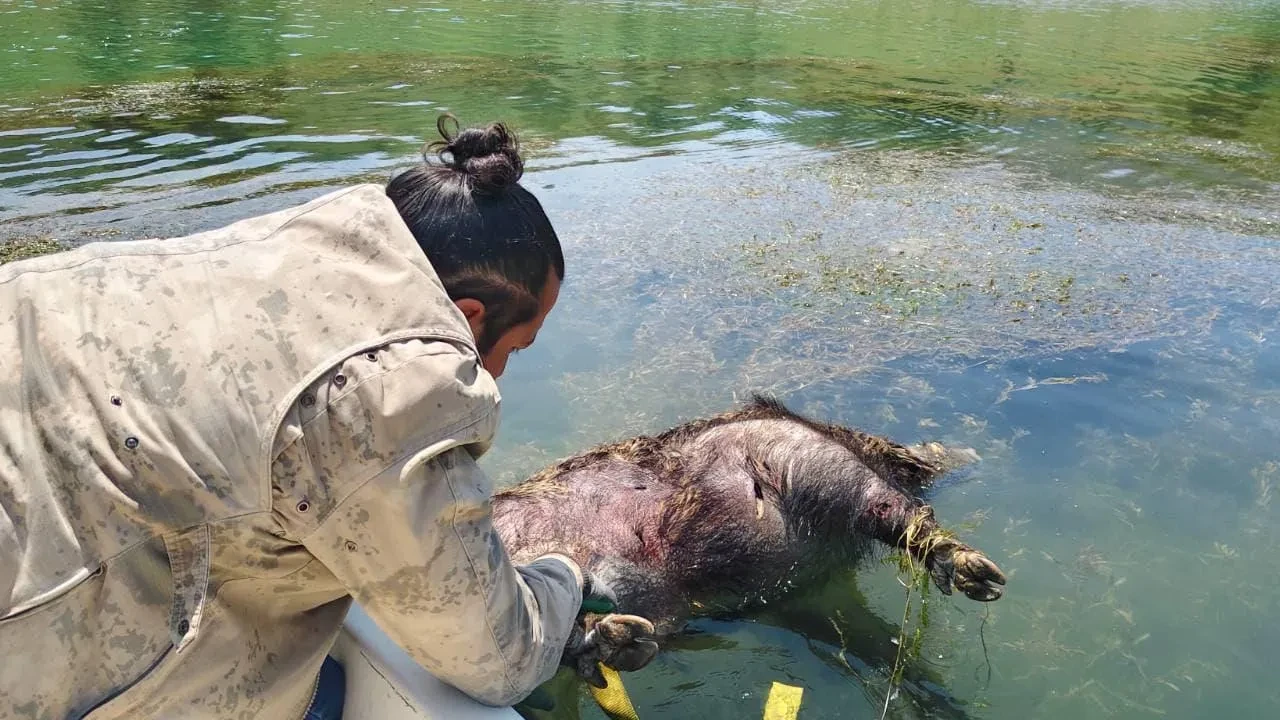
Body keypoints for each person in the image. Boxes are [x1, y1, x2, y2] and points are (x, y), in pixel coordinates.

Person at [0, 115, 654, 720]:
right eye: (514, 350)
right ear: (470, 314)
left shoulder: (226, 260)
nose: (502, 375)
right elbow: (493, 658)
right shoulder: (387, 393)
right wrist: (563, 580)